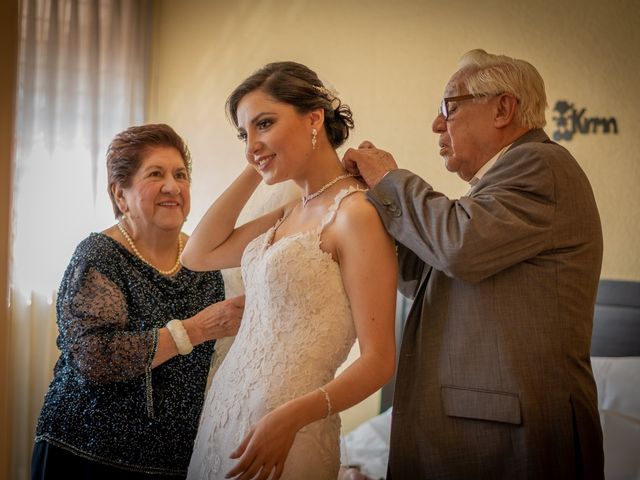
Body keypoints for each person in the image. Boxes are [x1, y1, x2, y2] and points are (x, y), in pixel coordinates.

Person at [343, 49, 604, 479]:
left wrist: (389, 179)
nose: (436, 124)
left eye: (449, 107)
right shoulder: (496, 187)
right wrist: (366, 209)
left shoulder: (542, 165)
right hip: (466, 433)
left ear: (503, 108)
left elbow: (456, 247)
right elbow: (434, 269)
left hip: (509, 444)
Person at [181, 61, 398, 480]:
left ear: (314, 117)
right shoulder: (288, 210)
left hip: (289, 431)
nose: (250, 145)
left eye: (265, 122)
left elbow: (379, 360)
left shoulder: (354, 214)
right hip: (226, 416)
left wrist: (290, 418)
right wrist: (259, 157)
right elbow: (198, 253)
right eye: (244, 133)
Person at [31, 123, 245, 479]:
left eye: (180, 174)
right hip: (86, 455)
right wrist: (194, 330)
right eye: (155, 174)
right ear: (120, 195)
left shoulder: (205, 260)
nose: (173, 186)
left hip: (173, 461)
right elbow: (95, 357)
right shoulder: (99, 255)